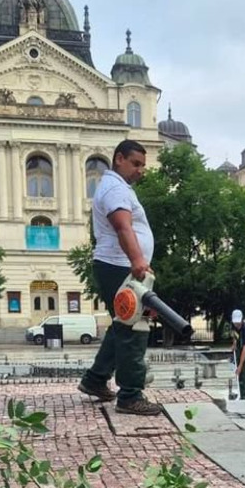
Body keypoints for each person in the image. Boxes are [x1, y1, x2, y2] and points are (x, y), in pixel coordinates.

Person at [78, 140, 162, 415]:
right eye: (136, 163)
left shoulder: (116, 187)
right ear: (119, 159)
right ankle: (130, 396)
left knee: (121, 326)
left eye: (143, 165)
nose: (141, 170)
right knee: (133, 329)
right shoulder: (115, 188)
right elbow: (122, 226)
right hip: (120, 266)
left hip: (117, 265)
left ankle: (95, 379)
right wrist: (138, 261)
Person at [230, 309, 245, 399]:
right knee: (238, 376)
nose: (237, 324)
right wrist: (234, 345)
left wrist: (240, 366)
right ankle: (240, 394)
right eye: (235, 322)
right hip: (239, 351)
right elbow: (235, 336)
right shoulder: (234, 327)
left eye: (238, 322)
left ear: (241, 319)